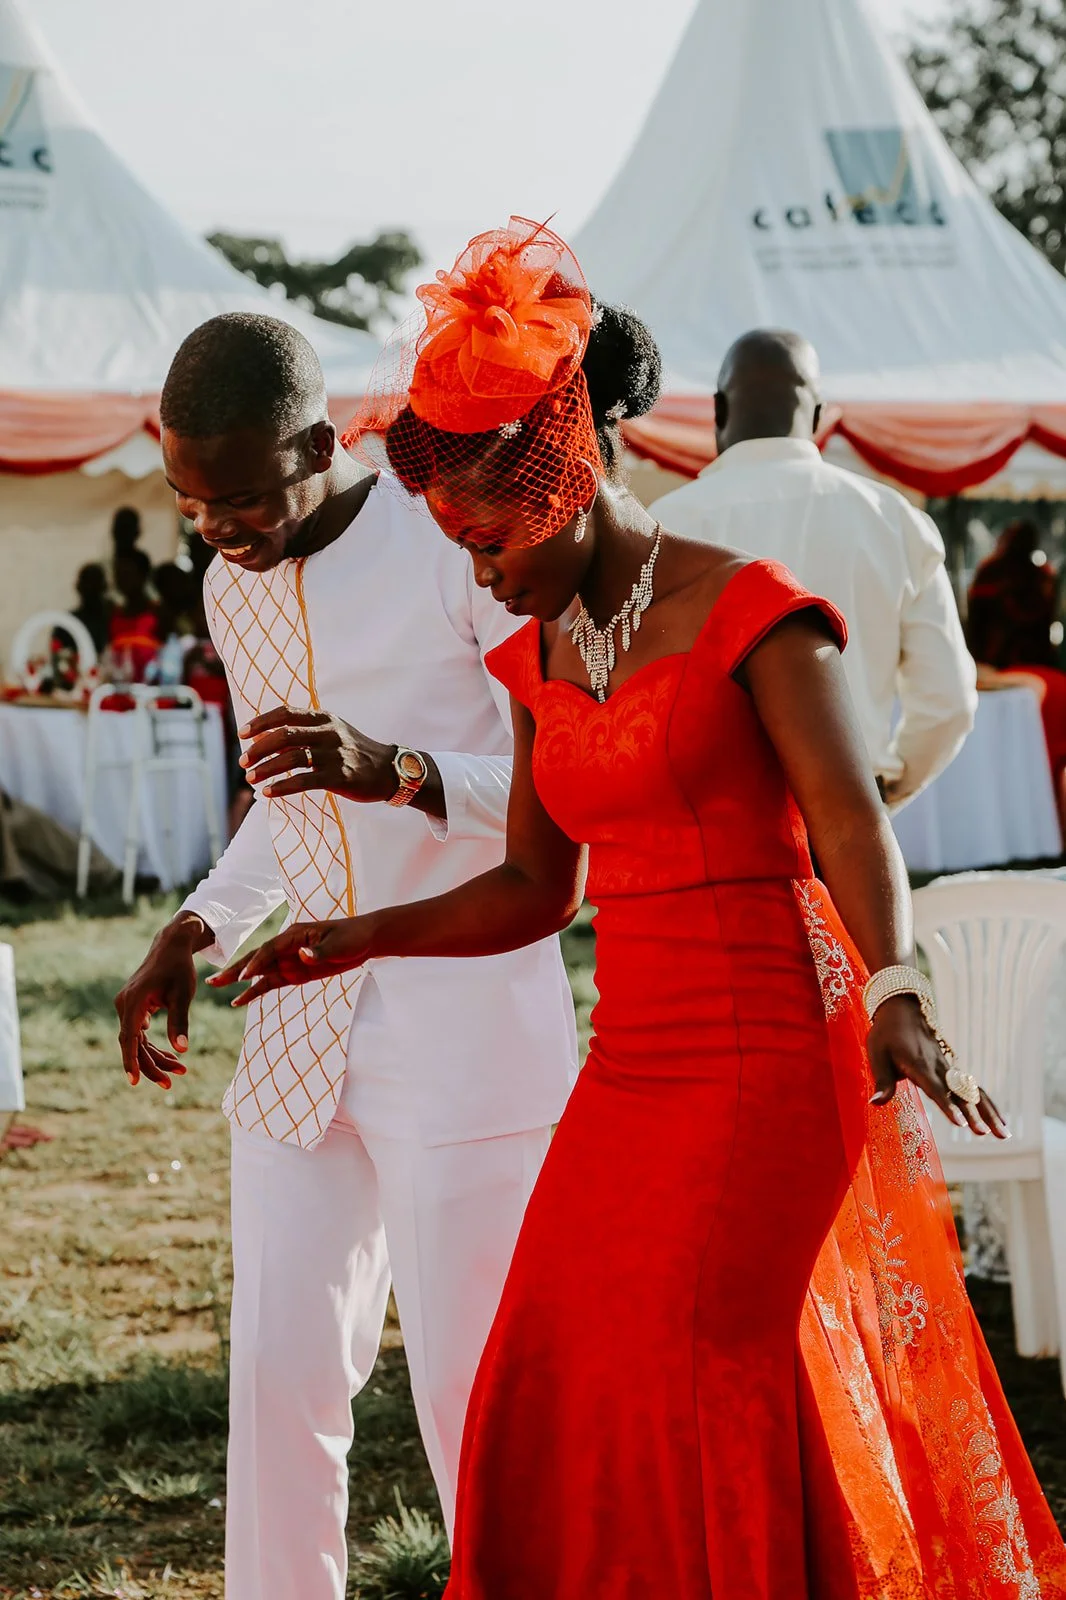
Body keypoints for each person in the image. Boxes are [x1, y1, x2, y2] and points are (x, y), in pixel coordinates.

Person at [220, 221, 1066, 1598]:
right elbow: (531, 888)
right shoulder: (542, 650)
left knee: (703, 1367)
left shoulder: (755, 612)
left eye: (489, 539)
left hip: (769, 1060)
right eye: (453, 541)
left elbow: (850, 823)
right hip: (629, 1067)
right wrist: (357, 934)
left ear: (563, 480)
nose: (477, 571)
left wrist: (901, 987)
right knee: (545, 1356)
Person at [112, 311, 577, 1600]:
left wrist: (402, 771)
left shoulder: (446, 539)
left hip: (469, 1021)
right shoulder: (223, 583)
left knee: (467, 1383)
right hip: (303, 1019)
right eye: (190, 500)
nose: (214, 529)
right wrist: (195, 925)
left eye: (243, 497)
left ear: (320, 444)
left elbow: (559, 787)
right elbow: (286, 799)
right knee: (276, 1374)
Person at [651, 330, 978, 810]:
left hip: (709, 824)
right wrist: (885, 789)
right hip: (850, 818)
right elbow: (947, 702)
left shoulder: (665, 525)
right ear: (819, 417)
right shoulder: (896, 521)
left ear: (718, 410)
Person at [967, 519, 1066, 806]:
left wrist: (978, 662)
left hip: (1003, 673)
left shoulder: (990, 573)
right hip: (1047, 673)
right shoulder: (1043, 576)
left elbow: (976, 624)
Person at [109, 548, 163, 681]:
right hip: (118, 689)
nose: (121, 580)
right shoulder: (114, 614)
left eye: (127, 574)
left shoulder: (158, 613)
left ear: (143, 575)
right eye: (118, 574)